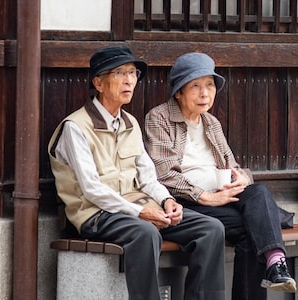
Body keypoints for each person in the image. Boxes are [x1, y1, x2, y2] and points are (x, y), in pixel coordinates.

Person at [48, 45, 226, 300]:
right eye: (120, 73)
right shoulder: (75, 127)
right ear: (98, 83)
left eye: (133, 73)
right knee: (145, 233)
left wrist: (167, 201)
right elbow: (91, 189)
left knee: (211, 228)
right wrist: (140, 212)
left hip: (140, 209)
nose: (129, 80)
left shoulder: (130, 123)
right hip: (97, 214)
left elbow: (147, 177)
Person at [144, 52, 297, 299]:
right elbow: (164, 175)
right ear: (179, 91)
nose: (205, 93)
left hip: (220, 201)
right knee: (255, 225)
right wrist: (206, 197)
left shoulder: (211, 123)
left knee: (256, 193)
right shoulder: (159, 118)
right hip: (185, 204)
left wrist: (242, 179)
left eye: (210, 85)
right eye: (195, 86)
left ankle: (274, 263)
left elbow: (233, 165)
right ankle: (276, 261)